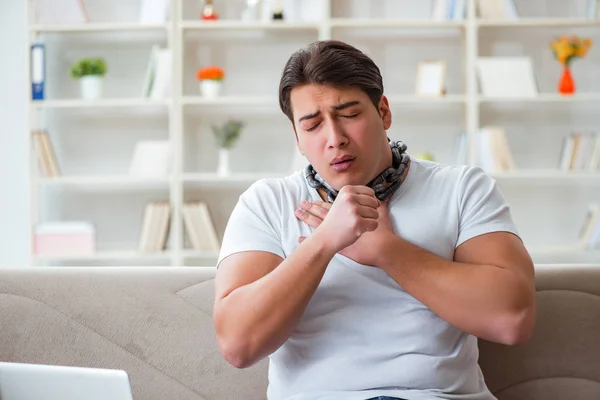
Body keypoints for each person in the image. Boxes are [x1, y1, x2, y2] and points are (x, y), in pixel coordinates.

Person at [213, 40, 536, 400]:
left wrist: (385, 250)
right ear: (297, 139)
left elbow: (513, 319)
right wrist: (324, 242)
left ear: (383, 112)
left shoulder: (462, 188)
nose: (335, 139)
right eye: (313, 125)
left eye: (349, 114)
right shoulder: (266, 203)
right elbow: (238, 345)